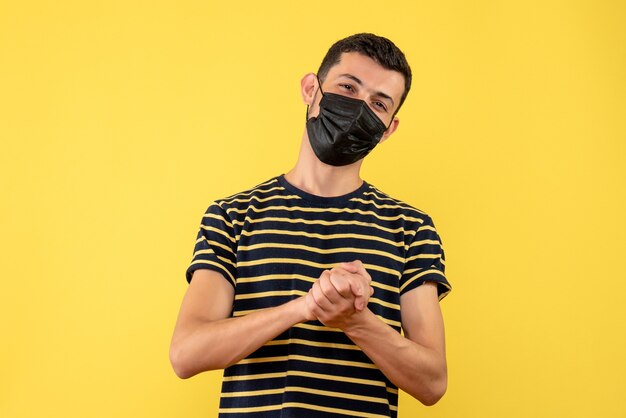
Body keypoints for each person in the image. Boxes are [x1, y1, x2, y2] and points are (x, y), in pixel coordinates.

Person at [170, 33, 452, 417]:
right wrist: (306, 306)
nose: (358, 108)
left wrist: (356, 321)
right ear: (310, 88)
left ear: (388, 128)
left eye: (378, 103)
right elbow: (186, 353)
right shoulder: (233, 215)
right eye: (348, 87)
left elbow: (432, 382)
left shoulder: (411, 228)